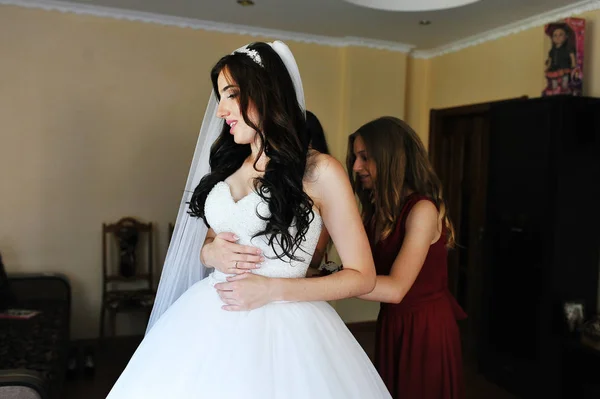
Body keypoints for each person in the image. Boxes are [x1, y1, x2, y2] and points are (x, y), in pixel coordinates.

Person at [106, 41, 391, 399]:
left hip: (289, 330)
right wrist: (211, 255)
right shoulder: (228, 166)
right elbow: (210, 242)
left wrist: (272, 289)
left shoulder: (319, 171)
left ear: (266, 93)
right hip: (208, 316)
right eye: (220, 96)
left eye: (231, 95)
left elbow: (363, 276)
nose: (220, 110)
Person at [347, 116, 466, 399]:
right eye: (355, 157)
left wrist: (333, 282)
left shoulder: (422, 210)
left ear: (391, 158)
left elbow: (397, 288)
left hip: (425, 329)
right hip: (393, 324)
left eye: (365, 157)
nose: (355, 167)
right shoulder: (378, 210)